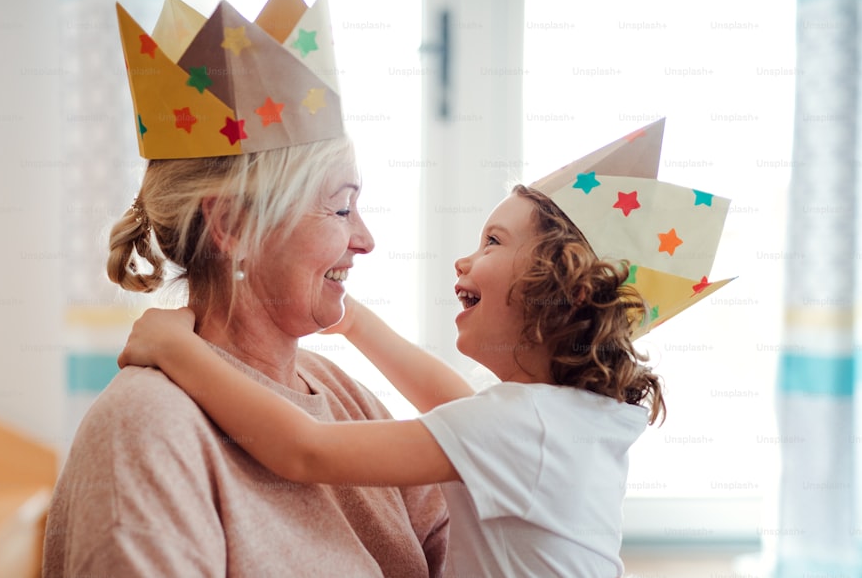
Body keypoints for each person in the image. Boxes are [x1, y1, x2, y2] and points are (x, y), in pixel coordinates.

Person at [44, 0, 450, 575]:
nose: (365, 240)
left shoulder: (337, 391)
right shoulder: (146, 431)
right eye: (340, 208)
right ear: (233, 225)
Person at [117, 183, 668, 577]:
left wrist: (176, 349)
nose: (463, 259)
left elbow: (305, 451)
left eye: (494, 243)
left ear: (560, 293)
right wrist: (352, 321)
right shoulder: (560, 420)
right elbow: (454, 402)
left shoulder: (523, 426)